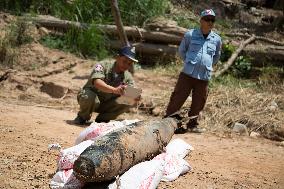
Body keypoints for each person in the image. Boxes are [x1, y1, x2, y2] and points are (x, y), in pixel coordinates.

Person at [164, 9, 222, 133]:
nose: (210, 22)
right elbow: (181, 51)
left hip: (204, 76)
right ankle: (168, 122)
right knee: (178, 97)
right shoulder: (190, 34)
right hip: (187, 74)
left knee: (199, 101)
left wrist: (206, 65)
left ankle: (192, 125)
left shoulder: (216, 39)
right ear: (201, 20)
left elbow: (216, 56)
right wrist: (189, 62)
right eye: (207, 19)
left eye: (212, 20)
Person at [73, 46, 140, 125]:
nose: (126, 65)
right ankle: (82, 117)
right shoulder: (102, 65)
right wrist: (114, 90)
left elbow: (134, 95)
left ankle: (102, 120)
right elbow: (97, 82)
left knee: (130, 100)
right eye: (124, 61)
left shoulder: (128, 76)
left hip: (107, 104)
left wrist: (136, 96)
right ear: (117, 57)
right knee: (89, 96)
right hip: (91, 100)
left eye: (129, 63)